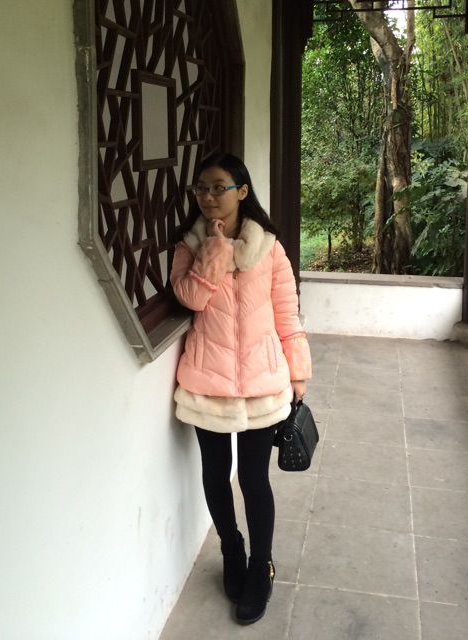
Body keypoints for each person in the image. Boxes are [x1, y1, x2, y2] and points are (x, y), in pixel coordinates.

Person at [170, 152, 312, 625]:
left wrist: (297, 372)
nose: (208, 197)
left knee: (253, 480)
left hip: (260, 382)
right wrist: (213, 254)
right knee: (215, 475)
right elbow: (190, 298)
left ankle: (261, 565)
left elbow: (287, 313)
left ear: (242, 191)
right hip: (207, 380)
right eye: (201, 189)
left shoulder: (269, 248)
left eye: (219, 187)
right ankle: (232, 549)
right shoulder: (190, 245)